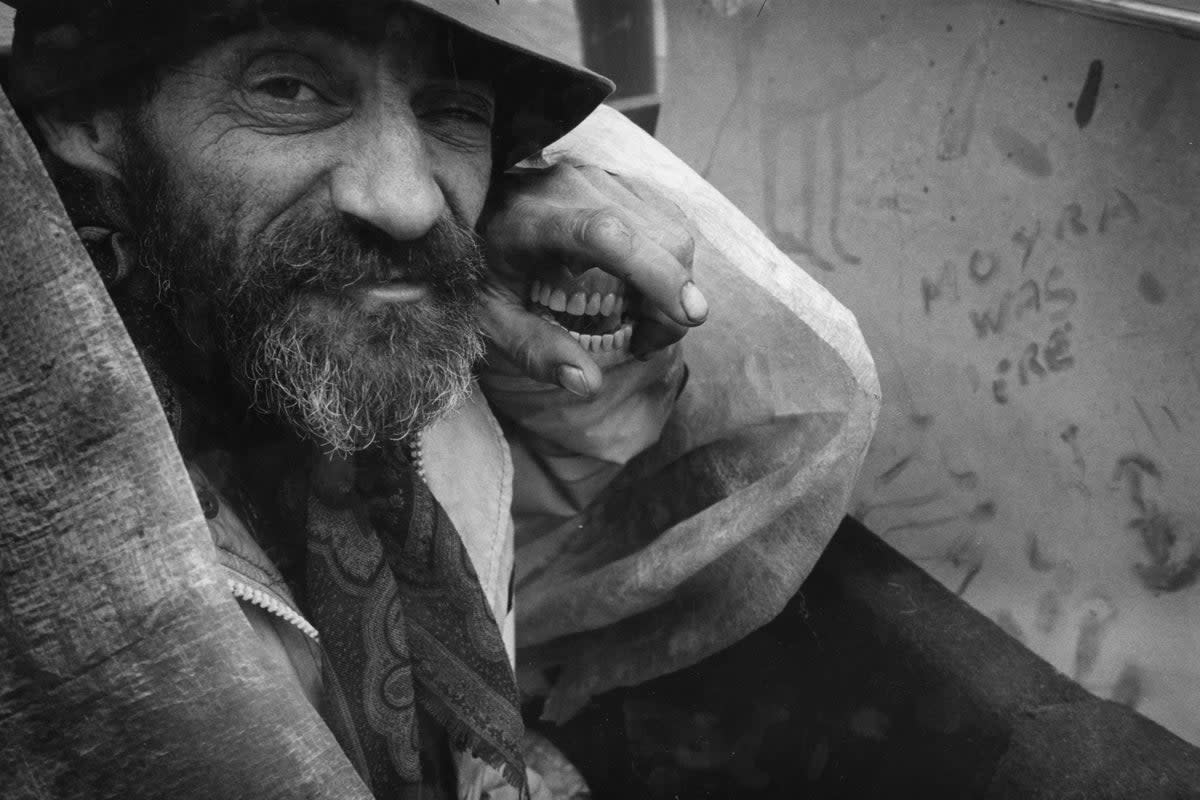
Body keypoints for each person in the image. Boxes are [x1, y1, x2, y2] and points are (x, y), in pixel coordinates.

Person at [0, 1, 877, 797]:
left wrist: (547, 266)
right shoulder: (48, 516)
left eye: (453, 113)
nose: (408, 202)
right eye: (289, 88)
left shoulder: (401, 396)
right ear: (88, 115)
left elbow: (556, 537)